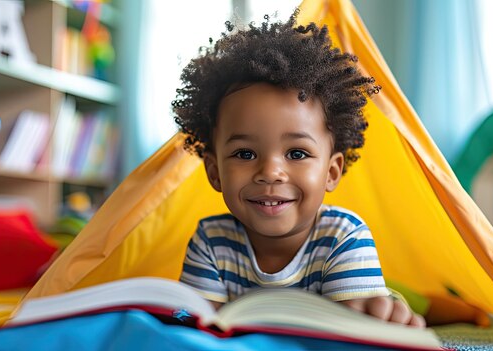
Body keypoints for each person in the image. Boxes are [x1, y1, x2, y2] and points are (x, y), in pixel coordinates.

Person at [172, 11, 425, 327]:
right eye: (245, 153)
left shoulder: (343, 236)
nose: (270, 172)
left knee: (411, 304)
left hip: (367, 287)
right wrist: (176, 314)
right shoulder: (211, 240)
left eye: (296, 152)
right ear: (214, 172)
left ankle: (445, 306)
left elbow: (351, 333)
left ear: (331, 173)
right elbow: (191, 322)